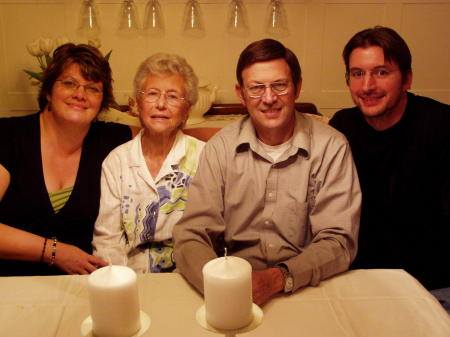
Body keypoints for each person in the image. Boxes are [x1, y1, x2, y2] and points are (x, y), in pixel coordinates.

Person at [173, 39, 361, 305]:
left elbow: (339, 242)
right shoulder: (221, 147)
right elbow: (191, 234)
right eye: (257, 88)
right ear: (241, 94)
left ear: (297, 87)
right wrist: (219, 285)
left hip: (306, 286)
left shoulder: (331, 146)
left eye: (279, 85)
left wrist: (276, 279)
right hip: (229, 287)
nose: (269, 98)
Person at [329, 26, 450, 305]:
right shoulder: (342, 127)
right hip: (359, 281)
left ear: (406, 79)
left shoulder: (441, 126)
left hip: (433, 286)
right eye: (358, 74)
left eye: (382, 72)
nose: (368, 86)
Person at [0, 44, 133, 276]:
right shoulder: (8, 136)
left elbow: (166, 131)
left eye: (92, 88)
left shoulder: (113, 138)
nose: (80, 94)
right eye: (69, 83)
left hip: (83, 288)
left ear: (102, 102)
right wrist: (55, 252)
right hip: (10, 286)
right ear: (48, 91)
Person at [92, 53, 205, 273]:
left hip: (188, 274)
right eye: (152, 94)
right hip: (129, 276)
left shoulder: (204, 157)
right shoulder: (117, 161)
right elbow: (108, 239)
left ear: (187, 110)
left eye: (173, 96)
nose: (161, 104)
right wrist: (119, 285)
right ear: (136, 104)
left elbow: (210, 233)